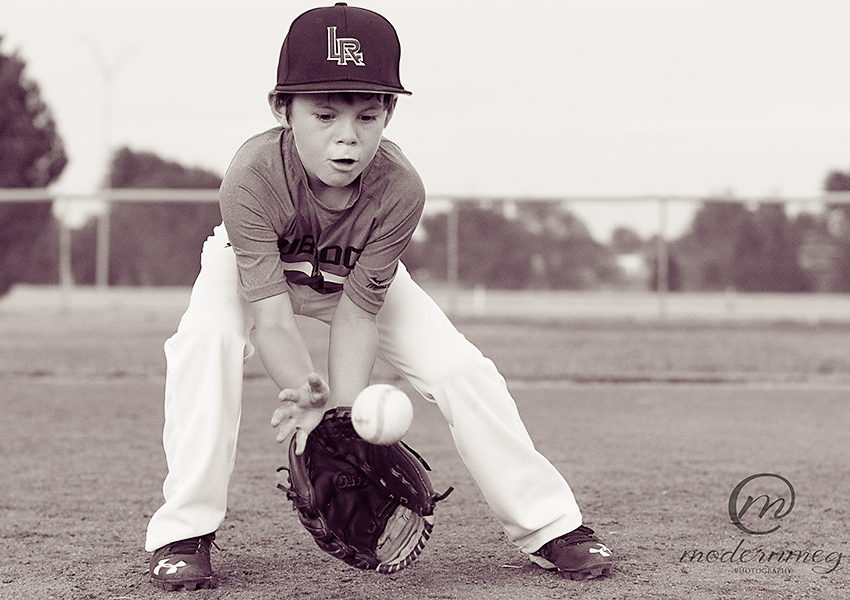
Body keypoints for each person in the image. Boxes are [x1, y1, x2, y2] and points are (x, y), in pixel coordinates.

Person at [145, 2, 614, 591]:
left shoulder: (399, 188)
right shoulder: (253, 176)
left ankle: (550, 527)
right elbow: (270, 318)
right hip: (251, 268)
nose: (348, 137)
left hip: (356, 279)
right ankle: (182, 534)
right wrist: (308, 401)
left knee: (462, 369)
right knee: (204, 341)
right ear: (281, 109)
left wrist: (342, 425)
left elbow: (358, 314)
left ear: (388, 113)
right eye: (324, 115)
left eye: (368, 116)